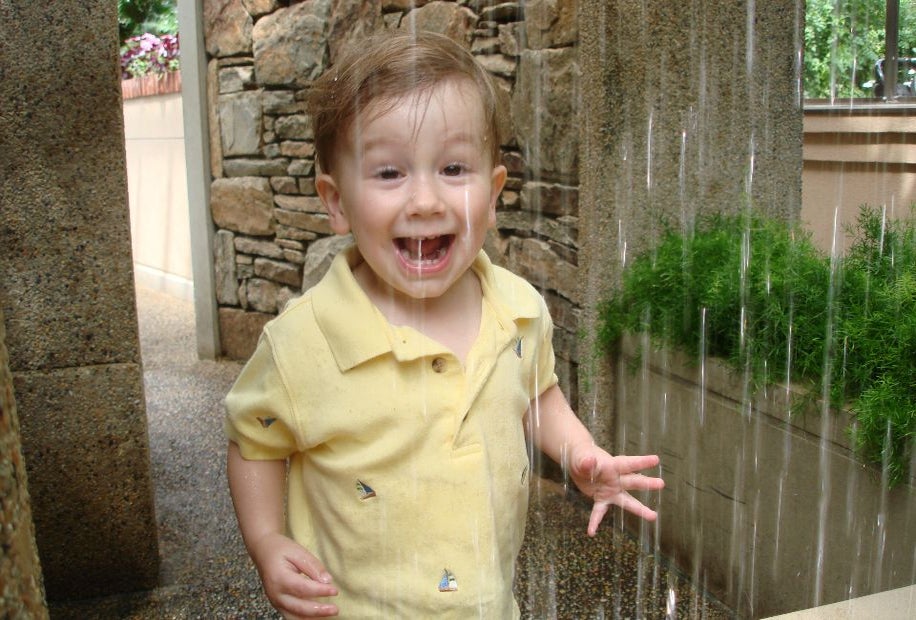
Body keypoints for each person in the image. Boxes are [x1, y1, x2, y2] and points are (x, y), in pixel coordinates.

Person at [225, 30, 664, 619]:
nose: (426, 199)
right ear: (335, 202)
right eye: (389, 174)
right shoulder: (304, 341)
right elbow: (254, 440)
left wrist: (581, 454)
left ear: (493, 191)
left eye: (454, 168)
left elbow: (538, 392)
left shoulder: (519, 310)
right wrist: (265, 540)